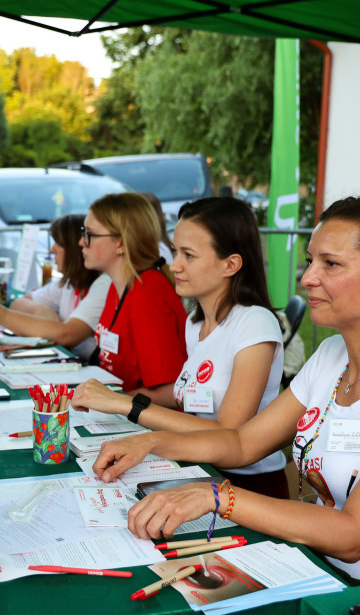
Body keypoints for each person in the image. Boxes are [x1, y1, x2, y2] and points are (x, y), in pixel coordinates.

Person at [93, 196, 360, 584]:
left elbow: (354, 535)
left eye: (331, 264)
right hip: (317, 570)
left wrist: (219, 497)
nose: (307, 278)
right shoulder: (331, 356)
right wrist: (151, 442)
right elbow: (242, 443)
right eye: (311, 261)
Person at [73, 197, 288, 497]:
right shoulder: (195, 325)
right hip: (197, 471)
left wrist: (127, 404)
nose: (174, 265)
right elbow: (190, 413)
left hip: (247, 488)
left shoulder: (254, 323)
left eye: (189, 255)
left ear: (231, 264)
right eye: (175, 251)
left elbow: (229, 435)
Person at [82, 193, 187, 403]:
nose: (81, 242)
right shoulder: (120, 285)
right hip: (127, 417)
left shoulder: (147, 296)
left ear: (121, 243)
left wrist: (108, 401)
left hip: (153, 426)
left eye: (89, 234)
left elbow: (171, 392)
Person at [0, 214, 111, 360]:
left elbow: (67, 334)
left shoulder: (103, 284)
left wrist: (2, 315)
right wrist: (45, 314)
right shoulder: (68, 283)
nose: (52, 250)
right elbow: (19, 304)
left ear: (74, 249)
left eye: (58, 243)